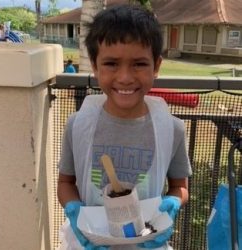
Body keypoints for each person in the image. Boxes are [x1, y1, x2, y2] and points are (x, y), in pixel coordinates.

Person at [57, 4, 192, 250]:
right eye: (111, 63)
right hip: (89, 242)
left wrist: (171, 205)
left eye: (139, 64)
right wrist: (73, 209)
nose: (125, 77)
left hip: (147, 240)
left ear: (157, 66)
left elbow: (179, 187)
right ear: (95, 66)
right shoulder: (78, 125)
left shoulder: (172, 129)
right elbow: (65, 183)